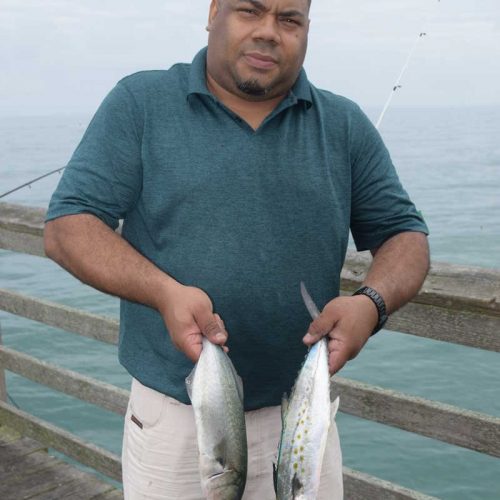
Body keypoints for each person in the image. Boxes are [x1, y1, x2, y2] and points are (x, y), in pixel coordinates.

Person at [44, 0, 430, 498]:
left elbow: (405, 235)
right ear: (212, 12)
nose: (269, 32)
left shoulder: (345, 124)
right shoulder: (141, 102)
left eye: (289, 19)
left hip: (302, 415)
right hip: (177, 421)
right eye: (250, 10)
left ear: (307, 27)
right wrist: (164, 292)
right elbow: (68, 225)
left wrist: (369, 304)